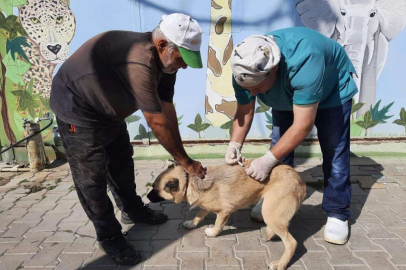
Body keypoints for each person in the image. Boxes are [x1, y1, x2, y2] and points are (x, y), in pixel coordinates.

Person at [50, 13, 207, 265]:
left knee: (122, 160)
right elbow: (156, 122)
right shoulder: (140, 62)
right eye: (183, 58)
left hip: (108, 111)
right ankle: (109, 235)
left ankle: (131, 209)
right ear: (163, 45)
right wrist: (184, 162)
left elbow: (167, 111)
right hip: (77, 109)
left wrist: (183, 156)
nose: (185, 66)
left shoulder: (168, 64)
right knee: (91, 178)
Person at [225, 27, 358, 245]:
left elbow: (302, 126)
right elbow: (245, 110)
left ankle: (337, 211)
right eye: (249, 88)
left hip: (332, 90)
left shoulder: (304, 60)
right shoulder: (245, 66)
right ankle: (277, 202)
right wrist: (234, 144)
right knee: (280, 147)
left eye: (257, 87)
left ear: (274, 69)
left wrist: (266, 160)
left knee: (334, 152)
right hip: (289, 90)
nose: (254, 94)